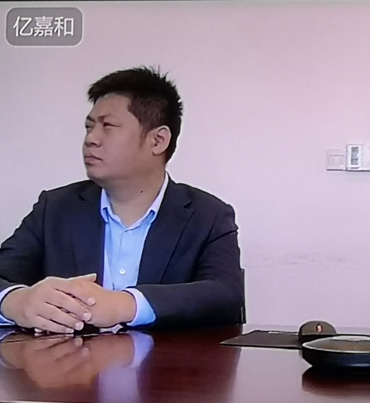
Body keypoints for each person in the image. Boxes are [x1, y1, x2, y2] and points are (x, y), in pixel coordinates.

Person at [0, 66, 244, 333]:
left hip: (163, 360)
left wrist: (125, 305)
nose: (91, 139)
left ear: (158, 140)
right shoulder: (56, 208)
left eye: (108, 126)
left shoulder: (208, 215)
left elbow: (225, 296)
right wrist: (16, 301)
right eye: (89, 127)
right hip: (68, 360)